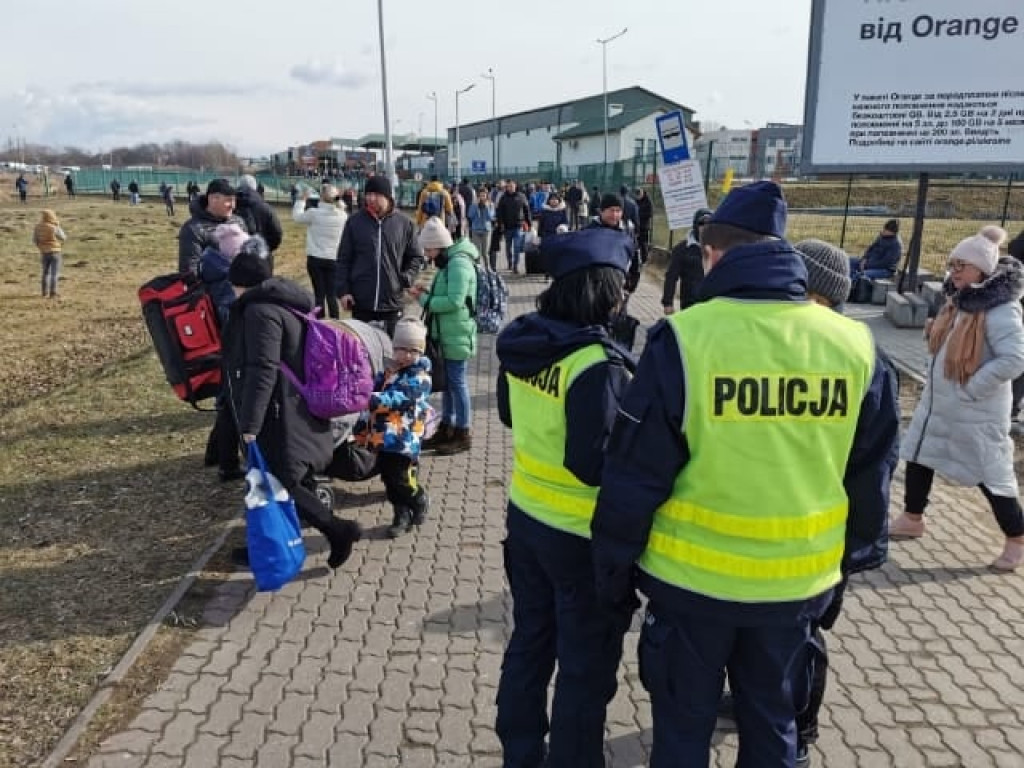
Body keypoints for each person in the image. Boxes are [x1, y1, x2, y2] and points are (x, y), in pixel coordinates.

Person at [590, 181, 899, 767]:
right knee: (774, 731)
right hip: (796, 590)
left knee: (682, 738)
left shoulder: (684, 339)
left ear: (713, 252)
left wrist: (613, 572)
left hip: (690, 590)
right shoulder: (855, 345)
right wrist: (848, 565)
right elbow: (871, 472)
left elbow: (635, 475)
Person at [494, 227, 637, 768]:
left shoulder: (527, 341)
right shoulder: (594, 363)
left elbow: (508, 416)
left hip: (526, 518)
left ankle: (521, 753)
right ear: (605, 292)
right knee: (583, 666)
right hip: (580, 539)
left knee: (531, 642)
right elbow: (591, 463)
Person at [222, 241, 362, 570]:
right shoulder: (282, 304)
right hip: (290, 407)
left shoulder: (260, 312)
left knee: (283, 482)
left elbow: (262, 368)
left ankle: (335, 529)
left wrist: (250, 424)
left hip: (279, 413)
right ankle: (265, 544)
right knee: (270, 481)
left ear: (241, 283)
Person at [891, 226, 1024, 570]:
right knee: (919, 453)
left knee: (989, 474)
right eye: (953, 264)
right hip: (940, 403)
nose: (954, 271)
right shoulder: (958, 300)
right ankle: (912, 517)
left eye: (962, 265)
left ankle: (1016, 538)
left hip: (975, 411)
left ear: (982, 269)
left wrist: (972, 389)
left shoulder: (1001, 309)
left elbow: (1014, 359)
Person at [356, 317, 433, 538]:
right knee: (389, 479)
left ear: (420, 351)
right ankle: (401, 515)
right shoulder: (391, 370)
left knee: (401, 477)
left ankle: (418, 497)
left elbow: (399, 398)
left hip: (404, 439)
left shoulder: (420, 378)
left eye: (413, 350)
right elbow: (376, 384)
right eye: (401, 349)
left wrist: (371, 399)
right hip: (384, 437)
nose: (406, 355)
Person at [412, 218, 478, 455]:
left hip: (457, 333)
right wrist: (427, 292)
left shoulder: (458, 265)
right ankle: (447, 427)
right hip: (448, 332)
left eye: (429, 250)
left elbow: (454, 301)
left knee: (457, 384)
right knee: (450, 384)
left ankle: (463, 431)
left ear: (439, 244)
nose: (428, 255)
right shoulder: (449, 263)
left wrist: (423, 300)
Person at [200, 224, 258, 481]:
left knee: (226, 405)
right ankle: (228, 464)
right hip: (230, 351)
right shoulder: (226, 280)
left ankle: (216, 455)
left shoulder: (213, 268)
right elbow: (229, 315)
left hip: (222, 350)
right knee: (231, 407)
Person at [337, 175, 423, 337]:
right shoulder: (354, 222)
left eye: (376, 195)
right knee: (362, 354)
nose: (370, 199)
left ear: (387, 197)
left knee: (390, 353)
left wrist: (406, 278)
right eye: (368, 194)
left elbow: (416, 257)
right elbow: (343, 259)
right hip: (361, 302)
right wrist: (343, 291)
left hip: (392, 303)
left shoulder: (405, 224)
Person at [293, 184, 347, 319]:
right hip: (333, 259)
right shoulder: (343, 216)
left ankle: (319, 324)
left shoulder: (314, 214)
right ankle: (336, 323)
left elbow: (297, 217)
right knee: (332, 295)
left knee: (319, 295)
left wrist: (301, 200)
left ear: (321, 198)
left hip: (315, 258)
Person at [177, 178, 247, 276]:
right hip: (213, 289)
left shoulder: (238, 222)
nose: (233, 206)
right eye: (228, 200)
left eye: (234, 200)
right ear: (212, 199)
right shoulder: (193, 229)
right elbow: (189, 273)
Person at [661, 208, 712, 314]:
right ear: (695, 225)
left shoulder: (719, 248)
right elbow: (671, 277)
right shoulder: (682, 249)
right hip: (690, 304)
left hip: (712, 304)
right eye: (702, 223)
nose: (705, 227)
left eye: (709, 223)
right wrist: (668, 303)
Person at [588, 194, 640, 293]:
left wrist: (632, 281)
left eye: (618, 211)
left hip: (620, 284)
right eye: (611, 210)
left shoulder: (627, 230)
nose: (615, 215)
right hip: (595, 287)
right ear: (601, 211)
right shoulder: (589, 231)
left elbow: (634, 255)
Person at [236, 174, 283, 256]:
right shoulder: (265, 207)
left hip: (235, 255)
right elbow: (277, 233)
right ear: (255, 187)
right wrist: (265, 249)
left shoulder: (229, 206)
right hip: (261, 256)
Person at [496, 181, 532, 274]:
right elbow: (499, 212)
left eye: (512, 186)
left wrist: (529, 222)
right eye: (508, 187)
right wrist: (501, 224)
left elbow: (526, 210)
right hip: (507, 227)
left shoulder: (521, 196)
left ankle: (516, 266)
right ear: (506, 188)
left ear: (515, 187)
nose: (510, 188)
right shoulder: (503, 198)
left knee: (516, 247)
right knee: (508, 247)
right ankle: (509, 262)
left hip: (518, 226)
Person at [33, 210, 66, 299]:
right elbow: (63, 237)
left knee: (45, 272)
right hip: (55, 251)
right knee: (54, 273)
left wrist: (41, 247)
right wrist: (58, 226)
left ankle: (44, 292)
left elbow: (35, 240)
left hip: (44, 252)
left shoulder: (37, 227)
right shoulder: (54, 227)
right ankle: (53, 293)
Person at [468, 187, 497, 272]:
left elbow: (490, 218)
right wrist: (475, 206)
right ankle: (478, 269)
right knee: (477, 252)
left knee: (485, 252)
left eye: (484, 196)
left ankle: (488, 268)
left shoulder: (491, 205)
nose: (482, 198)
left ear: (486, 196)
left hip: (486, 230)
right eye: (480, 196)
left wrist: (486, 207)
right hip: (476, 230)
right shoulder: (474, 205)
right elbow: (470, 216)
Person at [635, 187, 654, 264]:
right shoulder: (636, 200)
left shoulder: (648, 201)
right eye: (637, 195)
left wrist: (639, 215)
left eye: (639, 195)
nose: (638, 197)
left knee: (643, 244)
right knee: (636, 243)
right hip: (637, 225)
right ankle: (637, 260)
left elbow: (650, 214)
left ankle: (644, 260)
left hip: (644, 226)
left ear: (642, 193)